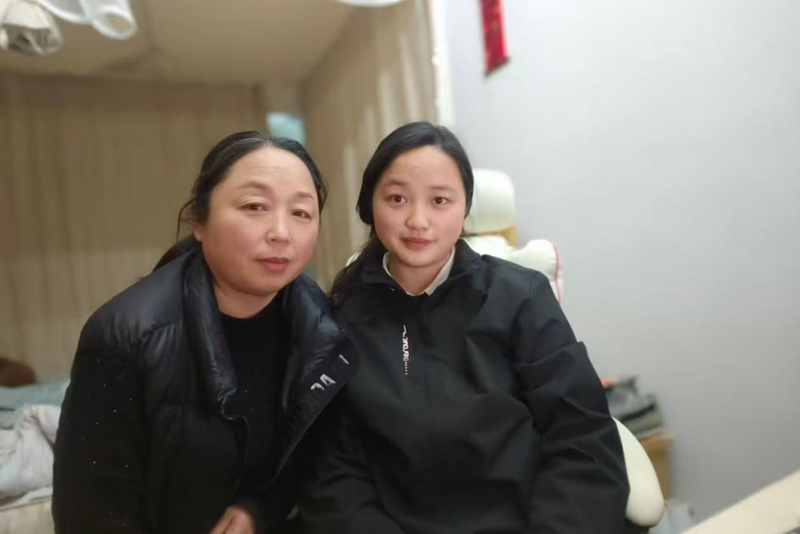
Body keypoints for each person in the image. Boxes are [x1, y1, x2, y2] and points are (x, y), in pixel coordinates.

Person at [299, 121, 629, 533]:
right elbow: (333, 472)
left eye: (440, 200)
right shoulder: (341, 318)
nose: (418, 220)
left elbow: (582, 438)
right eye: (398, 198)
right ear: (370, 205)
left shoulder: (520, 296)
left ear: (465, 208)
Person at [53, 131, 356, 534]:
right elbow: (92, 513)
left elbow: (311, 449)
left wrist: (260, 508)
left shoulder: (320, 320)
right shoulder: (124, 335)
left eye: (301, 212)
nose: (281, 232)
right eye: (255, 206)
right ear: (199, 219)